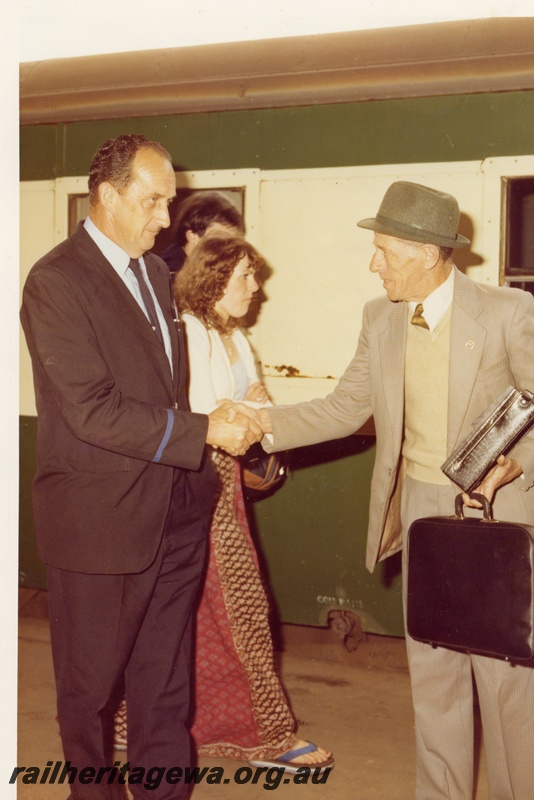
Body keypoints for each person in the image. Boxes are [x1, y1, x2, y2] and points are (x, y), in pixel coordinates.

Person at [256, 181, 534, 799]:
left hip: (498, 517)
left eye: (384, 249)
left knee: (505, 690)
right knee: (435, 680)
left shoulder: (504, 312)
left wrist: (518, 463)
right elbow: (344, 408)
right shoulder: (379, 319)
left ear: (426, 252)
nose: (374, 263)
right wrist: (259, 426)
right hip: (422, 511)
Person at [20, 134, 262, 800]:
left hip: (176, 517)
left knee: (164, 690)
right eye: (152, 202)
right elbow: (92, 410)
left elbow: (170, 391)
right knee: (90, 694)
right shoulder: (55, 282)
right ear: (107, 196)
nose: (165, 219)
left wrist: (221, 435)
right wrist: (202, 429)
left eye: (168, 203)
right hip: (100, 528)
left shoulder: (157, 276)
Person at [172, 234, 334, 773]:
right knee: (231, 608)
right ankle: (266, 735)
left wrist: (245, 406)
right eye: (245, 276)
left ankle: (218, 727)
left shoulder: (235, 336)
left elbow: (249, 405)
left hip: (228, 484)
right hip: (200, 484)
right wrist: (241, 408)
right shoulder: (190, 333)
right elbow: (200, 412)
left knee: (217, 608)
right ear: (214, 279)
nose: (255, 287)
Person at [160, 191, 245, 274]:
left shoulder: (208, 267)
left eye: (232, 241)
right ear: (192, 236)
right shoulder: (170, 277)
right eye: (219, 240)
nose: (228, 248)